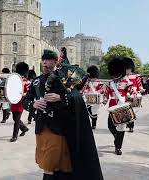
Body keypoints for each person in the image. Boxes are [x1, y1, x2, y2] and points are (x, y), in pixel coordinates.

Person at [23, 49, 103, 180]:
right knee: (49, 166)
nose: (44, 62)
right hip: (43, 128)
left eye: (48, 60)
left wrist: (61, 97)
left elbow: (76, 96)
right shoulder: (36, 81)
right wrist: (33, 105)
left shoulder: (66, 77)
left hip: (63, 127)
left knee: (55, 166)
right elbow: (25, 101)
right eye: (43, 60)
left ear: (55, 61)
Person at [106, 57, 133, 155]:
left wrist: (132, 95)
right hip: (113, 107)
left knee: (121, 127)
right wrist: (104, 99)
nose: (115, 75)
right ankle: (117, 137)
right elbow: (106, 93)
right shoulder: (110, 82)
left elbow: (131, 90)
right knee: (110, 125)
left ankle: (118, 147)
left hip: (122, 106)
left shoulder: (126, 81)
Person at [81, 65, 108, 129]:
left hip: (96, 99)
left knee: (94, 113)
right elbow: (84, 90)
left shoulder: (99, 83)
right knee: (89, 111)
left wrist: (98, 93)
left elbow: (102, 90)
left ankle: (94, 124)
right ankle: (90, 123)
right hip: (88, 99)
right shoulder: (87, 82)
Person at [10, 62, 30, 142]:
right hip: (14, 101)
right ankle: (24, 128)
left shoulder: (26, 81)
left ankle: (15, 136)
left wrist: (22, 94)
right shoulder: (14, 79)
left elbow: (28, 92)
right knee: (15, 118)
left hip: (20, 102)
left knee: (17, 120)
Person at [124, 58, 144, 132]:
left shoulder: (136, 76)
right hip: (125, 95)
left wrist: (141, 89)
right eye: (126, 69)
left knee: (131, 111)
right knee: (126, 111)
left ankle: (131, 127)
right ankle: (126, 124)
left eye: (128, 69)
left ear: (131, 68)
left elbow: (139, 84)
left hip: (133, 94)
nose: (127, 71)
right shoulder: (122, 77)